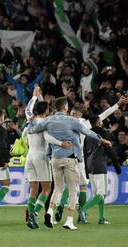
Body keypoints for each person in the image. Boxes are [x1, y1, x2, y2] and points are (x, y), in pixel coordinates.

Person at [27, 97, 110, 230]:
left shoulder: (48, 120)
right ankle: (69, 221)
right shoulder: (72, 121)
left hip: (55, 158)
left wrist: (30, 122)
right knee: (72, 189)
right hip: (70, 157)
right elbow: (88, 132)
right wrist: (102, 139)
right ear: (65, 108)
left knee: (58, 188)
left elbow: (31, 130)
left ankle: (49, 212)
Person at [55, 96, 128, 224]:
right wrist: (117, 104)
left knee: (70, 185)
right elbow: (103, 115)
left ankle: (61, 205)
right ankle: (81, 214)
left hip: (64, 156)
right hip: (80, 159)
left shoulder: (63, 122)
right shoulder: (83, 124)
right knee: (82, 187)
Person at [21, 87, 72, 229]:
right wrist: (61, 143)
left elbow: (27, 111)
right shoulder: (46, 122)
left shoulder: (30, 119)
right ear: (47, 111)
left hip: (30, 156)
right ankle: (34, 214)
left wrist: (34, 96)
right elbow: (47, 137)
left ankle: (31, 217)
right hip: (41, 156)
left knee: (33, 189)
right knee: (47, 188)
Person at [81, 116, 122, 224]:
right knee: (102, 194)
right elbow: (110, 150)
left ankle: (102, 218)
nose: (102, 122)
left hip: (90, 166)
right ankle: (83, 209)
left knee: (98, 194)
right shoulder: (103, 133)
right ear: (98, 122)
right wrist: (117, 166)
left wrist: (86, 169)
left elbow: (85, 153)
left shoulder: (88, 135)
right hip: (100, 165)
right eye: (101, 121)